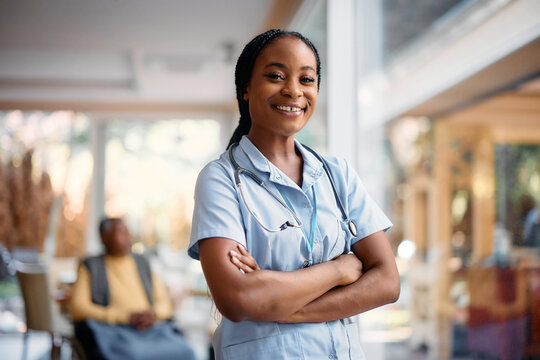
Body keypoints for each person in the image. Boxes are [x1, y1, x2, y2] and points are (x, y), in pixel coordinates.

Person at [189, 29, 400, 359]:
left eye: (306, 79)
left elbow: (387, 283)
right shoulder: (221, 179)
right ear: (245, 87)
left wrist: (277, 303)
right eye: (275, 76)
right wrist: (339, 271)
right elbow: (236, 299)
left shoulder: (337, 175)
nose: (293, 91)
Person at [69, 217, 196, 360]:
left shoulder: (143, 263)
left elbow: (164, 303)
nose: (128, 236)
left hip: (149, 329)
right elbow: (77, 308)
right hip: (113, 330)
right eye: (121, 232)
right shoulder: (90, 265)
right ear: (104, 238)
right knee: (134, 354)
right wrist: (123, 317)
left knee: (186, 351)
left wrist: (152, 315)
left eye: (128, 231)